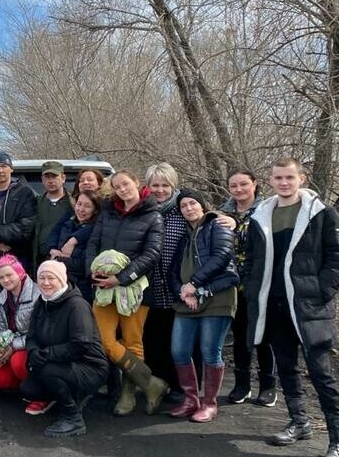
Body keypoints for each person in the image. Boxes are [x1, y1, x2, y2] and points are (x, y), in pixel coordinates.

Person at [243, 157, 339, 457]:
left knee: (321, 373)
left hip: (308, 307)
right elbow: (250, 257)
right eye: (278, 177)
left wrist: (320, 292)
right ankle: (299, 421)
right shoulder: (261, 215)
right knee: (286, 367)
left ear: (301, 178)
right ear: (271, 180)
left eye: (289, 177)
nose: (284, 182)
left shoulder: (321, 214)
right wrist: (251, 286)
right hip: (273, 304)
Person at [84, 169, 167, 416]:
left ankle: (128, 394)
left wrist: (120, 279)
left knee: (133, 341)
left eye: (126, 184)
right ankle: (151, 384)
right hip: (103, 289)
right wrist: (93, 270)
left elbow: (152, 254)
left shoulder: (153, 216)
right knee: (100, 338)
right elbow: (93, 243)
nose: (122, 189)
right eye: (117, 186)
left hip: (136, 289)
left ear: (136, 183)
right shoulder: (108, 212)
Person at [167, 190, 239, 423]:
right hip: (187, 301)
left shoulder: (216, 225)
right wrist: (183, 291)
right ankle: (190, 399)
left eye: (192, 203)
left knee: (210, 351)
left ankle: (209, 403)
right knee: (179, 350)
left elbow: (223, 255)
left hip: (217, 297)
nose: (188, 208)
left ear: (202, 204)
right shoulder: (184, 236)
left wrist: (195, 284)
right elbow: (172, 271)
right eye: (183, 206)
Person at [22, 260, 109, 437]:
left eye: (51, 278)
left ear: (62, 279)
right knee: (28, 388)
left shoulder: (77, 305)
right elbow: (31, 336)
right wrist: (33, 352)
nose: (45, 282)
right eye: (41, 278)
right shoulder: (42, 302)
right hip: (61, 363)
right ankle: (75, 396)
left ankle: (73, 418)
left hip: (90, 366)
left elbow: (81, 344)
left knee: (48, 371)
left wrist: (47, 354)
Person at [221, 169, 277, 406]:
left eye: (244, 184)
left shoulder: (267, 212)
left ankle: (268, 387)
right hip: (234, 284)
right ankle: (242, 384)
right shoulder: (223, 213)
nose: (239, 189)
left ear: (254, 184)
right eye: (234, 186)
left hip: (262, 281)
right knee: (241, 335)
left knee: (264, 335)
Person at [142, 162, 186, 398]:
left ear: (173, 185)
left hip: (177, 287)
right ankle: (156, 385)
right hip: (149, 287)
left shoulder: (183, 209)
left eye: (165, 185)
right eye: (155, 185)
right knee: (152, 341)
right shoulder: (144, 211)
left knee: (177, 342)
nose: (160, 190)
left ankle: (180, 386)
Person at [0, 255, 48, 414]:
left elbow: (38, 332)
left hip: (34, 346)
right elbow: (2, 328)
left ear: (19, 273)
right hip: (13, 343)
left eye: (9, 275)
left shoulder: (37, 295)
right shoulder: (2, 298)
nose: (6, 280)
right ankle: (24, 389)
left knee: (18, 361)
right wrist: (0, 349)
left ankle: (42, 396)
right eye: (1, 277)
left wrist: (12, 347)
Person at [45, 190, 101, 299]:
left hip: (80, 290)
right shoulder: (68, 223)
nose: (81, 209)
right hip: (60, 285)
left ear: (95, 210)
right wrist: (52, 250)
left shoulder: (95, 232)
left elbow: (83, 265)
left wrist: (57, 259)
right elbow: (52, 238)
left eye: (87, 206)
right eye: (79, 204)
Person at [33, 161, 73, 271]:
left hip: (65, 261)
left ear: (63, 178)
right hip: (39, 261)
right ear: (42, 180)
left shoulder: (74, 203)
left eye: (54, 176)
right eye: (47, 177)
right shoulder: (35, 203)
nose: (50, 181)